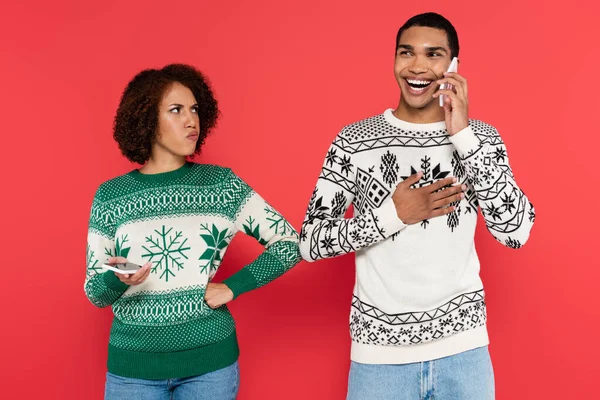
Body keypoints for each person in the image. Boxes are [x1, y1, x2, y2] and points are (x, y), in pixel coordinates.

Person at [299, 12, 535, 400]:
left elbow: (516, 232)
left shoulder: (482, 140)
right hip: (379, 361)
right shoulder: (354, 141)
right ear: (394, 59)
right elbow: (310, 242)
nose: (418, 66)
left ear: (454, 65)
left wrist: (463, 136)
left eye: (434, 54)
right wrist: (393, 215)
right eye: (406, 52)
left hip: (464, 352)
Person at [84, 63, 301, 400]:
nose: (191, 121)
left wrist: (233, 286)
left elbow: (288, 243)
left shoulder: (222, 186)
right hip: (133, 372)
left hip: (210, 367)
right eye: (176, 110)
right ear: (146, 119)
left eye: (195, 110)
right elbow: (94, 291)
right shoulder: (110, 196)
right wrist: (117, 278)